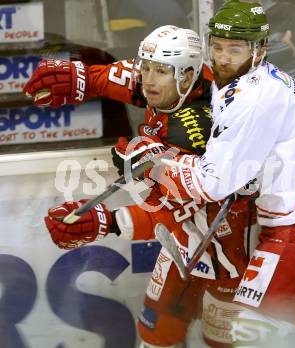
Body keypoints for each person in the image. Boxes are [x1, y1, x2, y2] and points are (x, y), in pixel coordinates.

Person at [140, 1, 295, 347]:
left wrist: (158, 164)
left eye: (234, 50)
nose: (222, 58)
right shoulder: (262, 80)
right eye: (217, 48)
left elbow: (212, 183)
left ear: (259, 49)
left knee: (249, 337)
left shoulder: (254, 98)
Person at [23, 25, 257, 348]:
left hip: (232, 249)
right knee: (155, 332)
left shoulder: (198, 133)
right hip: (186, 238)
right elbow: (126, 77)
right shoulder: (178, 80)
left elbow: (177, 211)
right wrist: (83, 80)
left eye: (159, 71)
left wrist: (110, 218)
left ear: (187, 77)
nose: (148, 78)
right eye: (147, 66)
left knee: (225, 342)